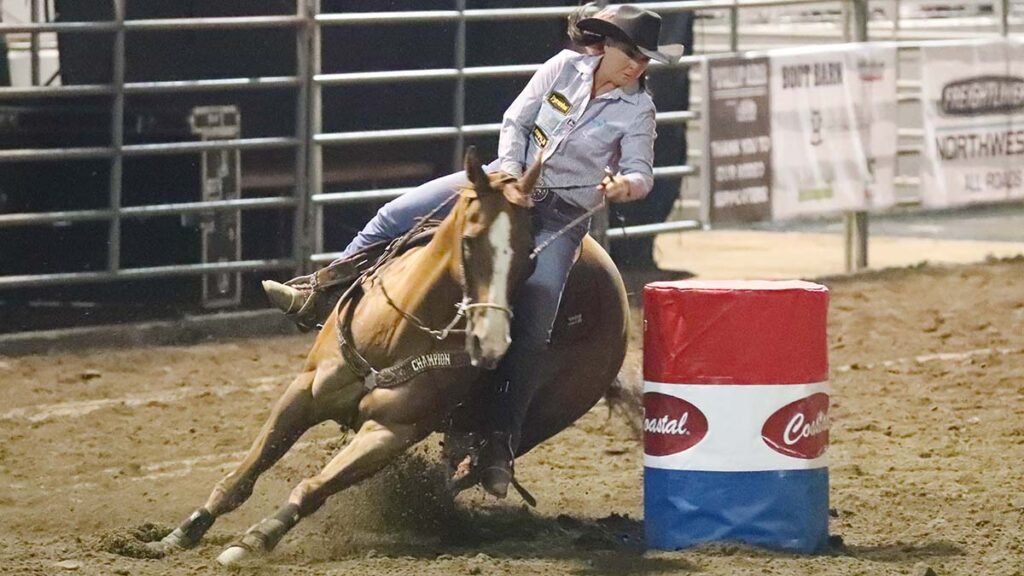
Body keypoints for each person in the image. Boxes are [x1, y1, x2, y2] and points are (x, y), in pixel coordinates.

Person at [264, 3, 682, 497]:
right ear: (605, 45)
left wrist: (622, 186)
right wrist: (509, 175)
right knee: (398, 213)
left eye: (645, 60)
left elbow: (642, 172)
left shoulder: (639, 109)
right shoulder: (561, 68)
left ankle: (499, 440)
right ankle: (323, 289)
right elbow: (517, 119)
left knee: (538, 308)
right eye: (631, 53)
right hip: (507, 184)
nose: (637, 66)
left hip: (561, 214)